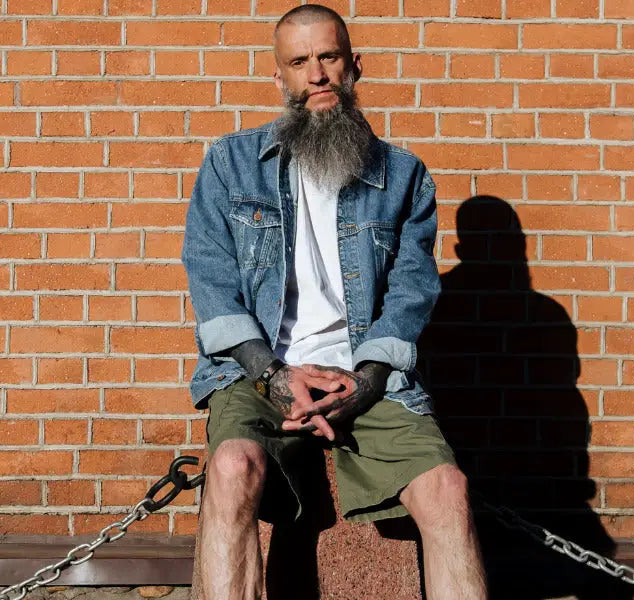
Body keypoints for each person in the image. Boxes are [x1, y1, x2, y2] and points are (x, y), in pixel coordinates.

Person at [180, 4, 487, 599]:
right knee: (230, 468)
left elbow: (411, 291)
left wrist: (367, 381)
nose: (316, 74)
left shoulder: (403, 176)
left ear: (354, 67)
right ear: (280, 79)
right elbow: (212, 284)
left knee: (448, 488)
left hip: (370, 377)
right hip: (258, 370)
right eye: (299, 62)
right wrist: (271, 376)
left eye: (329, 57)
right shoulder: (229, 165)